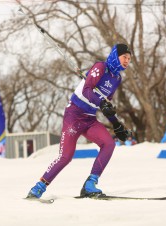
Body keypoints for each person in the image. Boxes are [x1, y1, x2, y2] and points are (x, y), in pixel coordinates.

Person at [27, 44, 132, 199]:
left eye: (129, 59)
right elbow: (87, 90)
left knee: (108, 144)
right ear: (116, 55)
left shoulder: (116, 78)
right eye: (125, 57)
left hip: (89, 119)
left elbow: (105, 105)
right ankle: (38, 187)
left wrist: (116, 124)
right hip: (74, 115)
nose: (127, 61)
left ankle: (90, 185)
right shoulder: (100, 67)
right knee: (66, 156)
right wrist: (101, 102)